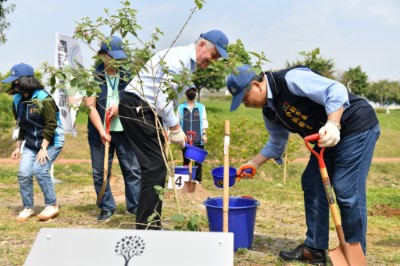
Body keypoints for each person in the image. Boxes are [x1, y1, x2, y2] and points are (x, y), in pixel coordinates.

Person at [227, 64, 380, 265]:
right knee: (312, 183)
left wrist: (333, 124)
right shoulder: (270, 112)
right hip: (326, 139)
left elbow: (336, 90)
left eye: (245, 98)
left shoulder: (291, 79)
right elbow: (276, 143)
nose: (246, 104)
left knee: (346, 190)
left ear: (256, 85)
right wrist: (253, 164)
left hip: (355, 127)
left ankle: (355, 252)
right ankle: (314, 248)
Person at [119, 29, 229, 229]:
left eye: (217, 59)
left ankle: (151, 223)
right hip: (137, 106)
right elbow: (161, 96)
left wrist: (165, 127)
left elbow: (166, 99)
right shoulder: (179, 59)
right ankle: (147, 228)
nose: (212, 61)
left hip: (147, 109)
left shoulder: (189, 67)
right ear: (202, 45)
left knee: (156, 166)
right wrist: (175, 127)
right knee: (155, 167)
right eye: (213, 56)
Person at [83, 36, 142, 222]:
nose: (116, 61)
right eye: (111, 56)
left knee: (132, 170)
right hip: (100, 131)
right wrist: (101, 130)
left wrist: (121, 107)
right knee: (100, 171)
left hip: (126, 130)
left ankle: (134, 207)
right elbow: (90, 106)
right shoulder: (91, 77)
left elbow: (138, 101)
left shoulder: (129, 76)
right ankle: (106, 207)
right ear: (102, 55)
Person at [2, 63, 65, 222]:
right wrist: (18, 147)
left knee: (40, 169)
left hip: (51, 141)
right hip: (31, 143)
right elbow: (21, 125)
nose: (14, 84)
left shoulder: (44, 98)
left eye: (16, 81)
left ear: (26, 80)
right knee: (23, 173)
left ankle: (52, 205)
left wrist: (44, 148)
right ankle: (28, 207)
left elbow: (51, 124)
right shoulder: (17, 100)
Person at [176, 86, 208, 183]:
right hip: (185, 138)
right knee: (186, 160)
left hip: (198, 138)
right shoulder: (181, 107)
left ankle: (197, 180)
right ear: (185, 93)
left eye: (193, 91)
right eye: (189, 91)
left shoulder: (201, 107)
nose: (191, 93)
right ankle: (186, 180)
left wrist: (204, 134)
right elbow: (177, 123)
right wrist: (179, 136)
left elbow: (204, 121)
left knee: (198, 161)